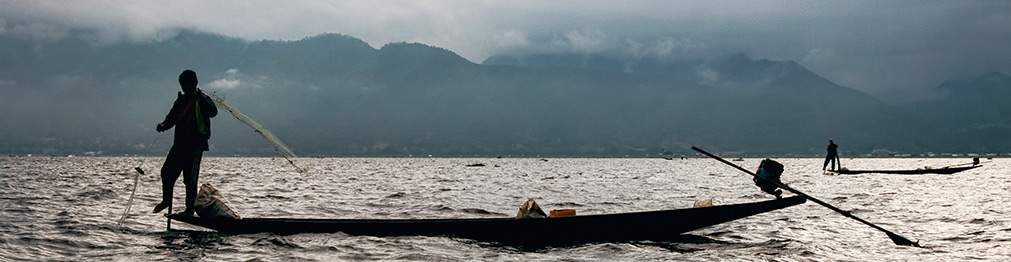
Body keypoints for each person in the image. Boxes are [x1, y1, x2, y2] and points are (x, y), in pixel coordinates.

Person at [153, 70, 217, 216]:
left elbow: (213, 112)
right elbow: (172, 117)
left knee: (190, 179)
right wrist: (163, 125)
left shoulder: (202, 99)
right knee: (167, 172)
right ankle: (166, 201)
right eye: (182, 85)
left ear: (194, 84)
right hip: (180, 144)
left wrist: (203, 99)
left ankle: (189, 210)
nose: (184, 88)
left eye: (186, 85)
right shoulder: (181, 100)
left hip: (195, 146)